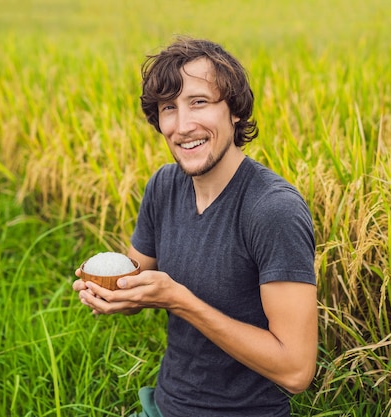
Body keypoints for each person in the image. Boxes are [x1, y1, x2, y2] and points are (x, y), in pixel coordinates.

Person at [73, 37, 317, 417]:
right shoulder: (164, 186)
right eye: (169, 108)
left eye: (199, 102)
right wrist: (112, 295)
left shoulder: (272, 210)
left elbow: (296, 370)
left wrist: (180, 301)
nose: (183, 125)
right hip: (166, 405)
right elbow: (139, 283)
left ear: (234, 110)